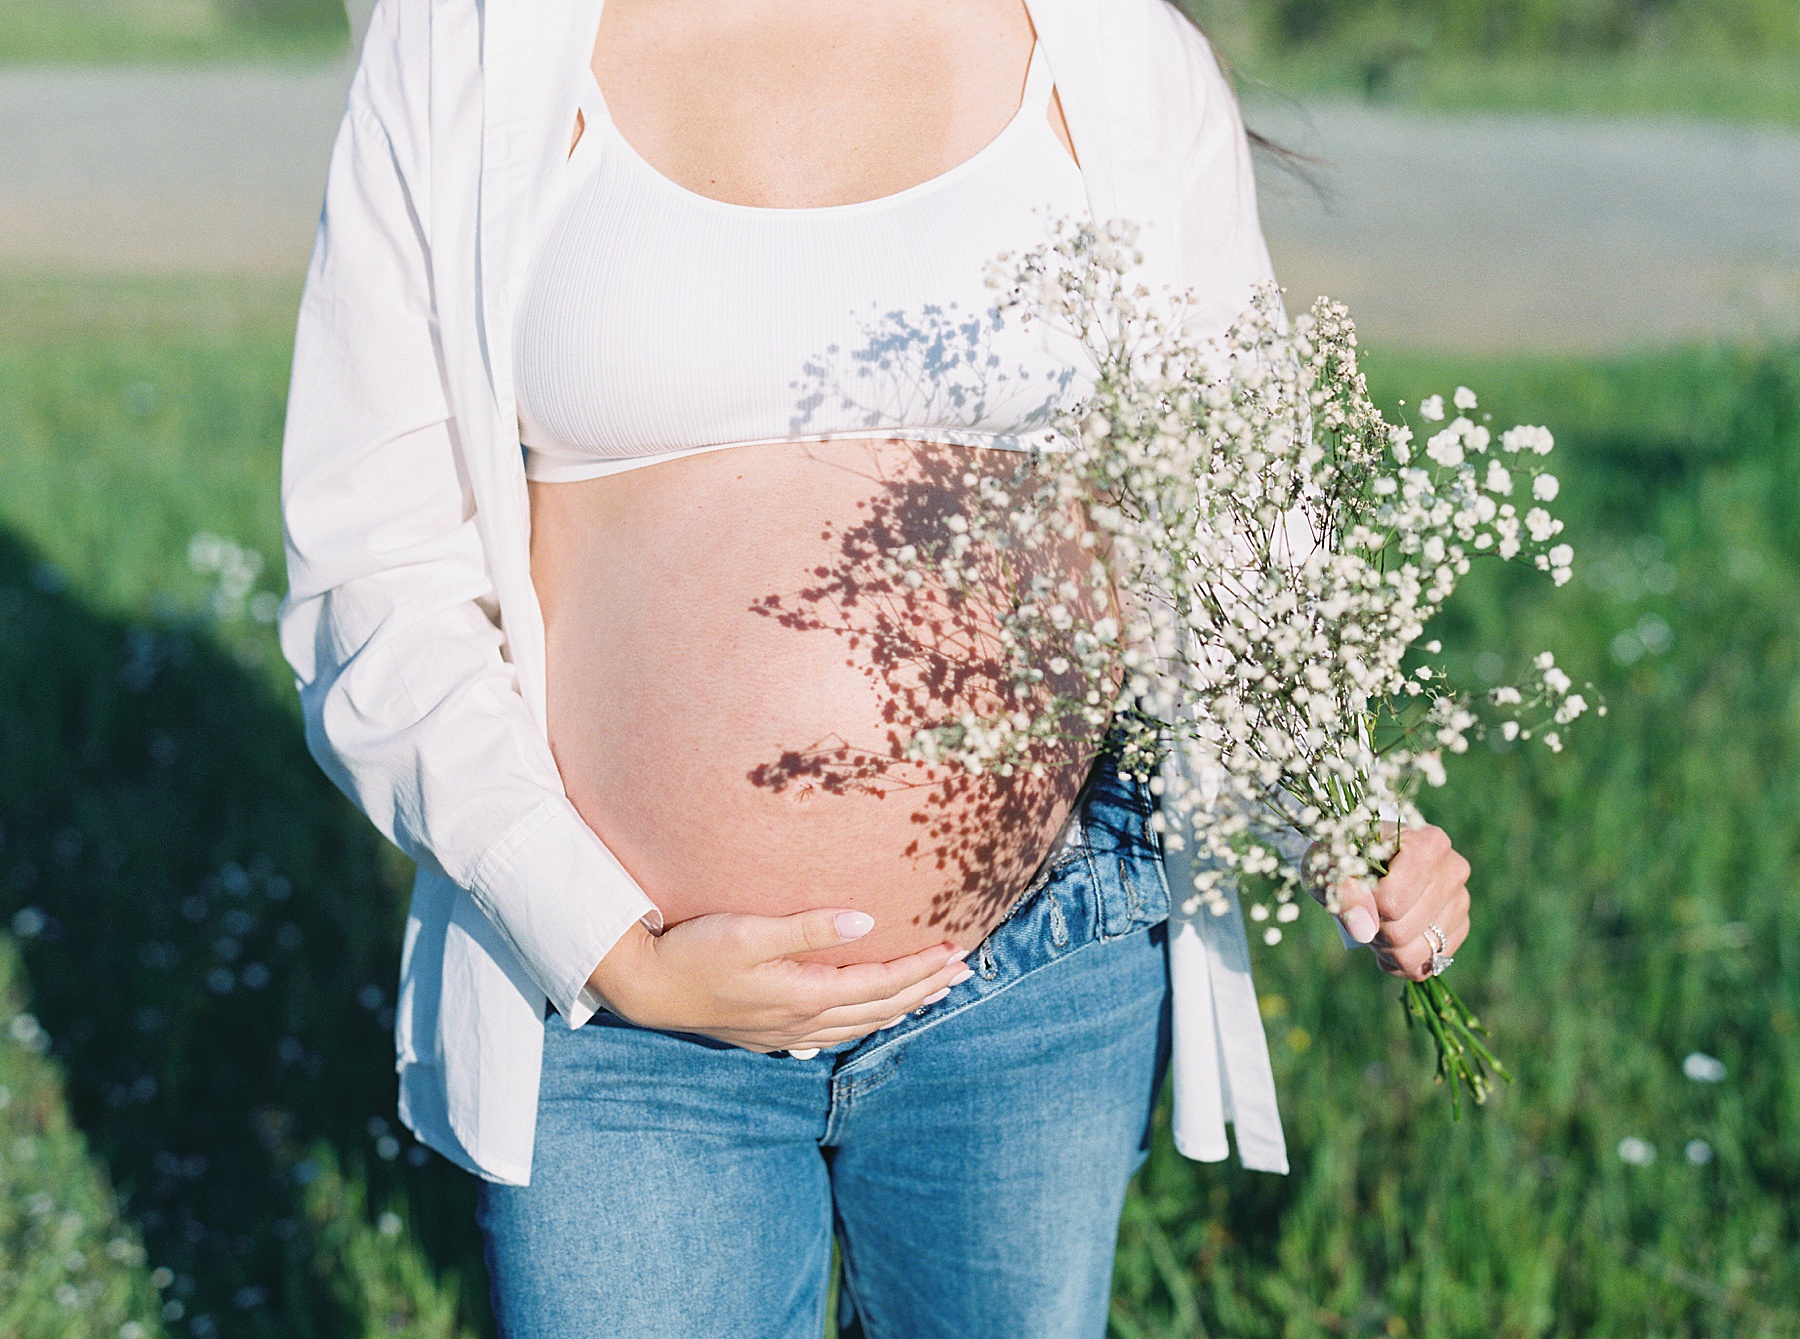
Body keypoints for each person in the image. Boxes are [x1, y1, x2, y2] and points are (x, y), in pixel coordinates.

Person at [278, 0, 1474, 1332]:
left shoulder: (1119, 52)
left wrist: (1338, 805)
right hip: (617, 1021)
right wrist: (605, 944)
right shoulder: (469, 43)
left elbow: (1239, 519)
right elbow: (372, 571)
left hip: (1034, 981)